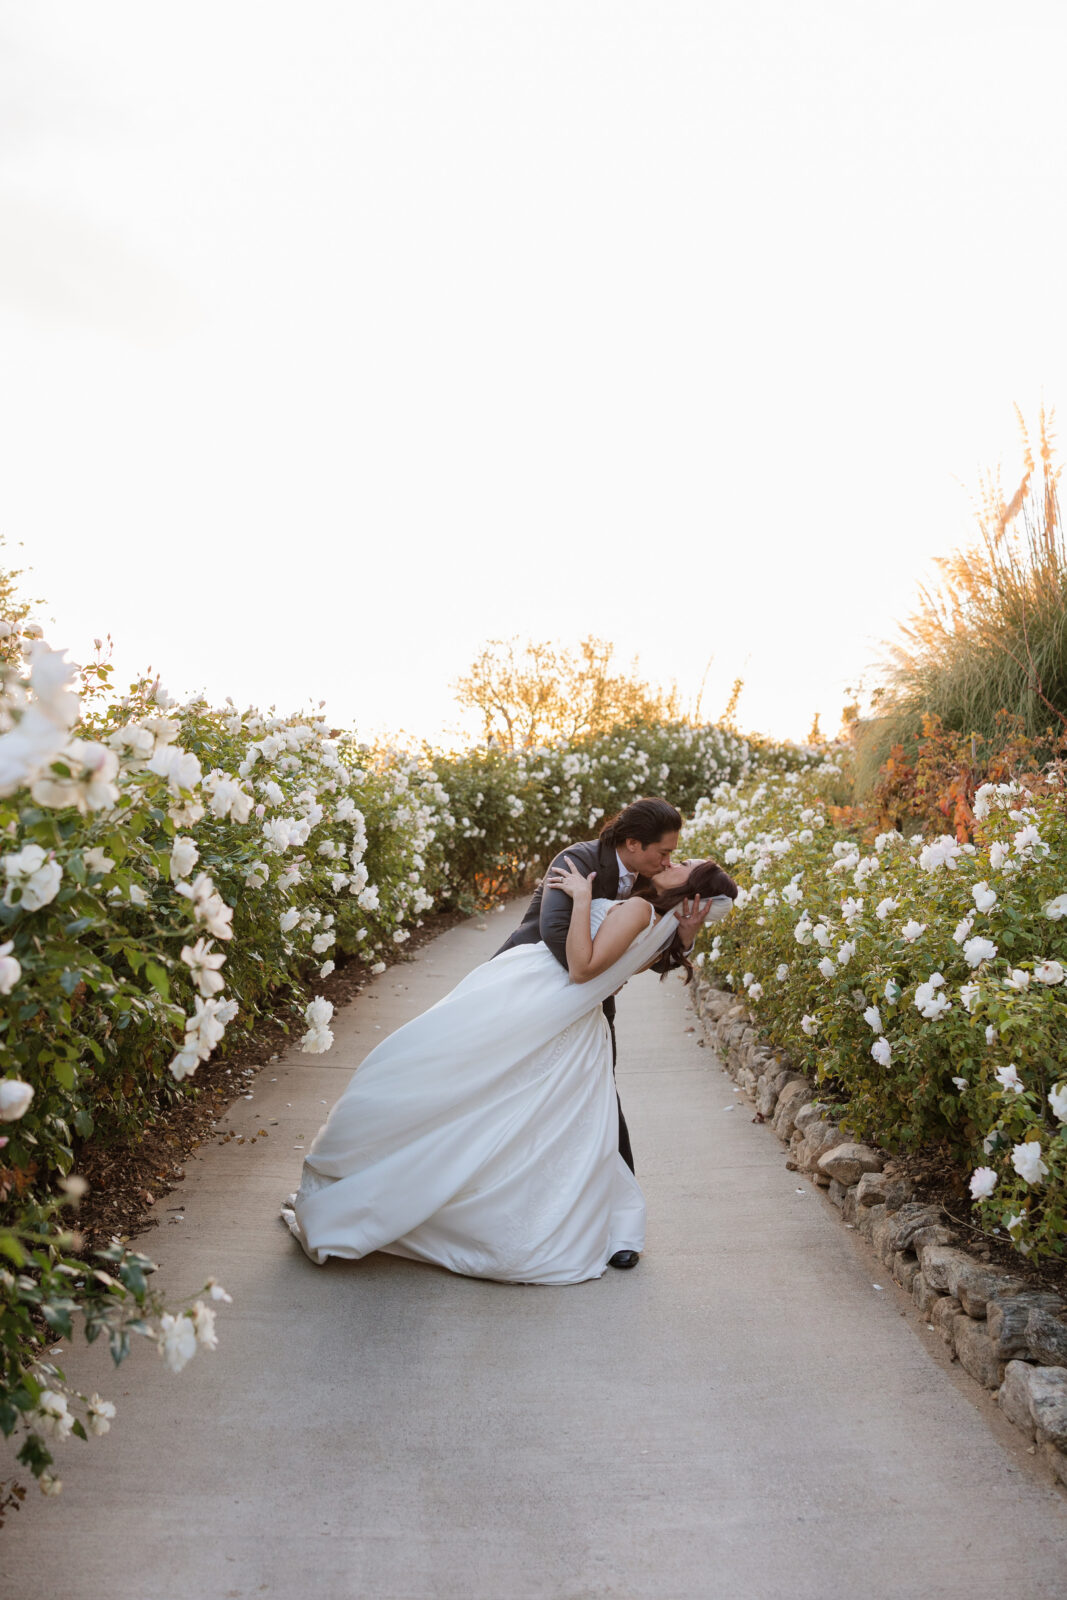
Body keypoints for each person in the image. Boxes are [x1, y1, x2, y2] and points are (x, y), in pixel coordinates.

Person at [282, 856, 736, 1287]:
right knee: (518, 1120)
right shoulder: (655, 919)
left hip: (543, 997)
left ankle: (386, 1193)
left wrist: (581, 898)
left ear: (691, 892)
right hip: (569, 1017)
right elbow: (616, 970)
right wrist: (684, 936)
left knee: (441, 1081)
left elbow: (583, 968)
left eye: (685, 866)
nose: (674, 862)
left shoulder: (639, 907)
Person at [493, 797, 702, 1260]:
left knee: (599, 1098)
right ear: (632, 843)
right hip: (532, 993)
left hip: (589, 1003)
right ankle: (510, 1204)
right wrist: (601, 973)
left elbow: (640, 952)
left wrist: (682, 937)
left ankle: (617, 1224)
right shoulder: (577, 862)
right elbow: (555, 934)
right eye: (662, 853)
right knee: (512, 1097)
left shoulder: (652, 883)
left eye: (672, 855)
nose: (668, 861)